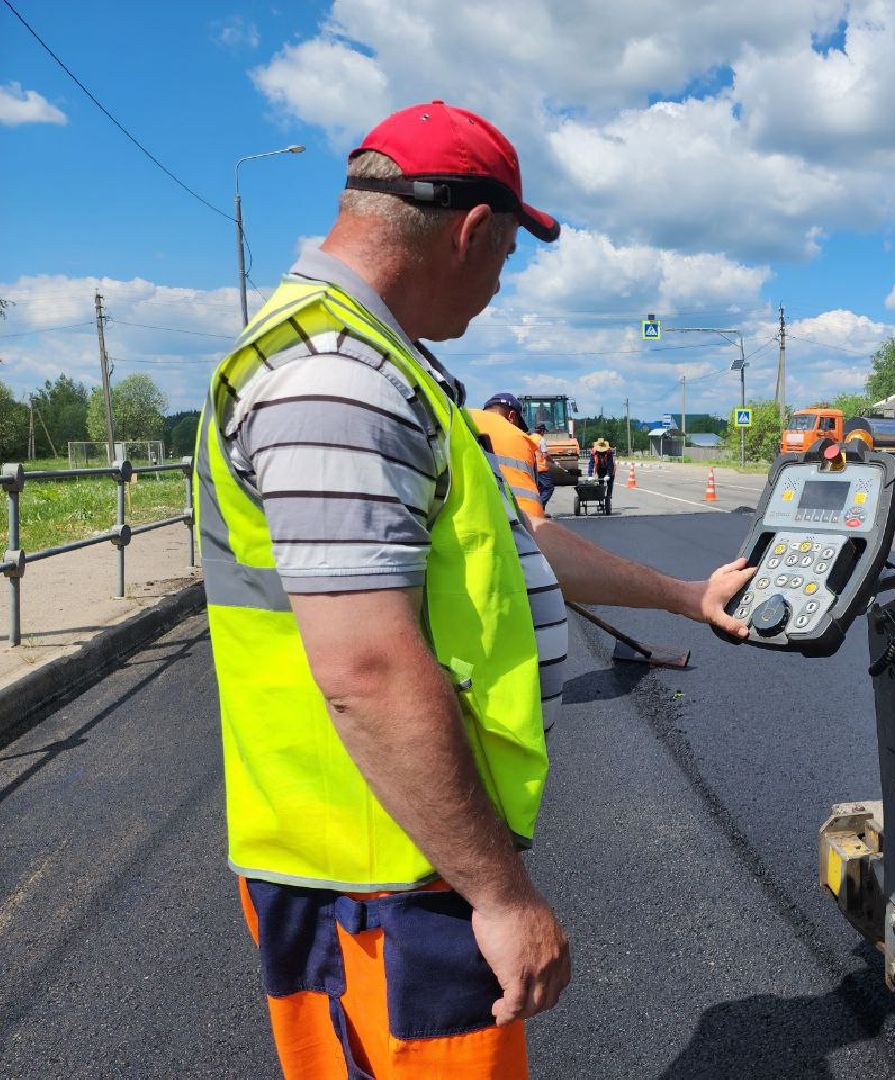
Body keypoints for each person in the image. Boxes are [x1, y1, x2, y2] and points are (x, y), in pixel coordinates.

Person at [194, 100, 754, 1080]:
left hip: (399, 856)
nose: (499, 285)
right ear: (474, 231)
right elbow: (366, 669)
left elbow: (517, 546)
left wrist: (683, 593)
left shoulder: (382, 369)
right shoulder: (335, 382)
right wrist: (500, 896)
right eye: (507, 257)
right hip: (377, 881)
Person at [471, 391, 544, 520]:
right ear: (511, 416)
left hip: (475, 515)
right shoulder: (522, 438)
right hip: (526, 517)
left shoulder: (463, 420)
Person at [532, 424, 555, 509]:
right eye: (544, 431)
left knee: (539, 489)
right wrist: (552, 461)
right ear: (542, 431)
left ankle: (541, 511)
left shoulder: (529, 438)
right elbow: (545, 455)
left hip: (531, 468)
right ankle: (539, 507)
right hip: (541, 469)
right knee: (548, 488)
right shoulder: (541, 439)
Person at [588, 438, 616, 503]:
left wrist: (608, 474)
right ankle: (601, 499)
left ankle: (608, 497)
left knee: (610, 482)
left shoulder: (609, 453)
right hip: (600, 469)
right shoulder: (593, 453)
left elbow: (610, 464)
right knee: (601, 484)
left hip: (610, 469)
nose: (601, 452)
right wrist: (590, 475)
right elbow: (591, 463)